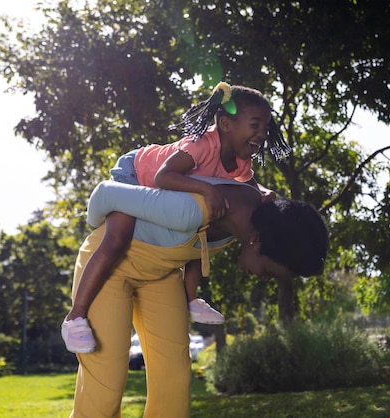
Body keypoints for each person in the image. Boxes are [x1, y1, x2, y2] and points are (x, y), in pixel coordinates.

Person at [69, 176, 328, 417]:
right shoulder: (193, 208)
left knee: (175, 378)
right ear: (257, 240)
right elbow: (112, 191)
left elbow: (244, 180)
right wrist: (100, 225)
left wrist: (260, 188)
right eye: (269, 271)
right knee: (107, 376)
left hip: (161, 275)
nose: (264, 278)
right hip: (108, 266)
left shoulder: (256, 219)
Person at [61, 82, 292, 353]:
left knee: (199, 233)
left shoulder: (241, 160)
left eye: (265, 128)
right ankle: (75, 316)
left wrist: (266, 193)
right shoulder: (202, 145)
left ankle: (189, 298)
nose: (262, 134)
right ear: (226, 124)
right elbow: (163, 176)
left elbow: (251, 184)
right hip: (137, 175)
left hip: (166, 194)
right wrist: (207, 189)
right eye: (255, 125)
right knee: (117, 239)